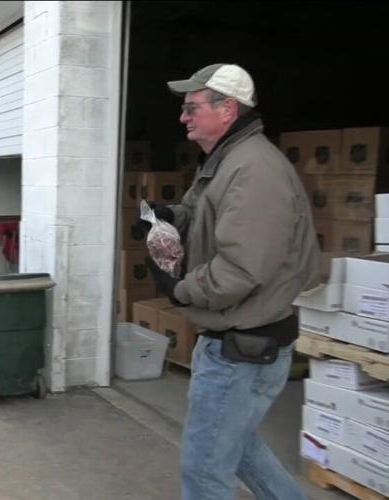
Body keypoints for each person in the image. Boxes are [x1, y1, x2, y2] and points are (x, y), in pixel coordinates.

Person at [146, 64, 320, 499]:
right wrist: (169, 217)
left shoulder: (253, 170)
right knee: (237, 449)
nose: (183, 117)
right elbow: (201, 213)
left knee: (205, 472)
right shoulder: (223, 162)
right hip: (240, 340)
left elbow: (241, 269)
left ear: (228, 109)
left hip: (243, 347)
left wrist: (179, 289)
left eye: (192, 107)